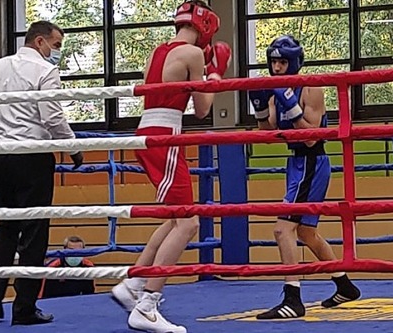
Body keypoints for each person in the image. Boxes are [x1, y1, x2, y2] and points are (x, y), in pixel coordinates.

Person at [110, 1, 231, 332]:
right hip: (166, 134)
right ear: (206, 26)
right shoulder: (192, 55)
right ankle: (147, 305)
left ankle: (133, 283)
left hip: (147, 130)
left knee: (174, 218)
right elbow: (203, 110)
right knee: (189, 223)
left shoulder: (156, 51)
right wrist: (216, 71)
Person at [0, 20, 83, 325]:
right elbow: (51, 116)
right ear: (39, 41)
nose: (57, 52)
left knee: (6, 226)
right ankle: (23, 308)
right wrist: (73, 147)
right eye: (56, 45)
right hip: (32, 156)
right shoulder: (45, 71)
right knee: (34, 231)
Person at [248, 35, 361, 319]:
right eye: (273, 61)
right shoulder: (276, 91)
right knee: (306, 232)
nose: (276, 67)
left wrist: (292, 106)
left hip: (312, 161)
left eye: (282, 62)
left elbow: (311, 138)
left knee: (282, 229)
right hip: (297, 163)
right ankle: (344, 285)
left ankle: (293, 298)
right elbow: (267, 133)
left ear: (294, 62)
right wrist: (261, 107)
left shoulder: (311, 90)